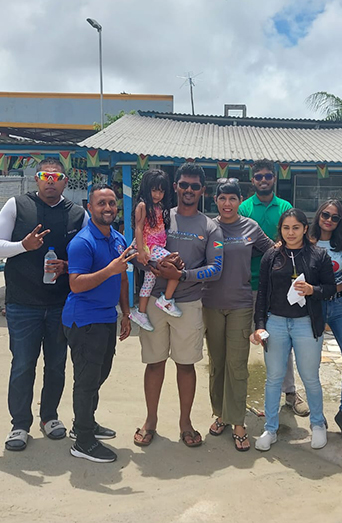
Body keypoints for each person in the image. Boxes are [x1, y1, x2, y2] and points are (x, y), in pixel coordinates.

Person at [0, 158, 87, 451]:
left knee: (56, 365)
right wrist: (24, 246)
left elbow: (88, 256)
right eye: (45, 176)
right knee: (22, 365)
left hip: (60, 304)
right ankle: (19, 425)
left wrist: (68, 266)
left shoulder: (77, 214)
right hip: (23, 303)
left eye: (57, 177)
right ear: (36, 178)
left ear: (65, 182)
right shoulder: (17, 206)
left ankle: (50, 417)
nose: (50, 181)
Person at [133, 162, 224, 449]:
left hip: (188, 304)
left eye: (194, 186)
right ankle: (151, 420)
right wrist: (146, 261)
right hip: (152, 304)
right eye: (183, 184)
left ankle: (185, 422)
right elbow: (137, 248)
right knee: (154, 362)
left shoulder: (210, 227)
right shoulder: (157, 214)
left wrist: (182, 275)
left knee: (186, 365)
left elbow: (216, 268)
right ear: (175, 187)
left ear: (202, 190)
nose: (188, 190)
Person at [62, 185, 136, 463]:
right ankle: (82, 440)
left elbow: (123, 278)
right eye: (101, 203)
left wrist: (126, 314)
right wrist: (110, 269)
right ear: (90, 208)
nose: (108, 208)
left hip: (107, 317)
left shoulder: (117, 239)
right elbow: (76, 284)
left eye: (112, 203)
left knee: (98, 376)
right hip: (84, 320)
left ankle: (87, 423)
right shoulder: (83, 242)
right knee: (86, 381)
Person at [252, 209, 336, 452]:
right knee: (274, 378)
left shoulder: (318, 255)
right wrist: (259, 325)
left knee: (310, 377)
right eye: (286, 228)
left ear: (305, 229)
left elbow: (330, 288)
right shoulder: (271, 256)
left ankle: (318, 424)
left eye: (296, 228)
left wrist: (313, 290)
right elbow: (262, 294)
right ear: (280, 230)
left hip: (306, 324)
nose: (291, 233)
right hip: (276, 322)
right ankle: (270, 428)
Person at [202, 178, 273, 452]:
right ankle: (220, 414)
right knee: (217, 364)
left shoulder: (250, 227)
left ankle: (238, 422)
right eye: (222, 198)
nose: (227, 203)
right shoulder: (208, 226)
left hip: (242, 304)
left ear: (239, 201)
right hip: (211, 303)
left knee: (237, 365)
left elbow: (272, 251)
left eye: (233, 198)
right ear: (216, 201)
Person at [239, 159, 308, 417]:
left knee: (282, 340)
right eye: (259, 176)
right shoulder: (244, 208)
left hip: (280, 286)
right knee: (242, 340)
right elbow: (243, 243)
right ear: (253, 180)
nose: (264, 180)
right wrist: (270, 247)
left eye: (268, 176)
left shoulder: (285, 207)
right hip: (249, 283)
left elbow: (291, 242)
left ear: (274, 179)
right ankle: (237, 394)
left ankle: (290, 392)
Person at [308, 200, 342, 446]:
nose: (329, 220)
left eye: (335, 217)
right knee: (312, 365)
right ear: (319, 216)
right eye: (325, 215)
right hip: (314, 307)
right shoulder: (307, 241)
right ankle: (317, 416)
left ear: (340, 222)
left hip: (339, 306)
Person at [129, 169, 181, 331]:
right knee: (176, 265)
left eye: (161, 190)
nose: (158, 194)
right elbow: (138, 228)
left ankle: (141, 312)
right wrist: (142, 251)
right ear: (146, 188)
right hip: (149, 247)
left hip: (156, 245)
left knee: (149, 280)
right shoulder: (143, 206)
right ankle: (166, 299)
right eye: (154, 190)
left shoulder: (158, 206)